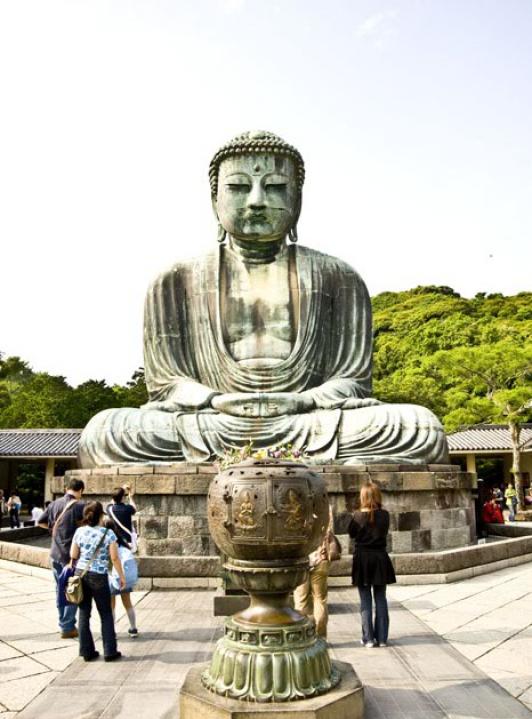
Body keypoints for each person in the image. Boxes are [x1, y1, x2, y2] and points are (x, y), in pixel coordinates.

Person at [79, 130, 448, 468]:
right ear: (214, 199)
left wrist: (303, 401)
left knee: (418, 428)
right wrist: (213, 400)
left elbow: (351, 380)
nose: (256, 201)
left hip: (307, 419)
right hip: (212, 421)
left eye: (274, 187)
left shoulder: (339, 277)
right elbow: (167, 384)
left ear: (297, 199)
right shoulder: (174, 282)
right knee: (107, 431)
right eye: (239, 188)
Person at [70, 501, 125, 662]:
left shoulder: (79, 531)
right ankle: (109, 651)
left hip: (81, 573)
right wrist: (121, 576)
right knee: (106, 613)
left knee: (84, 613)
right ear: (101, 515)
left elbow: (74, 554)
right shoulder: (108, 534)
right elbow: (114, 558)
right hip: (99, 576)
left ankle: (86, 651)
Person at [349, 482, 396, 648]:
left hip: (362, 559)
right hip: (380, 558)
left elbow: (351, 533)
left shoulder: (357, 516)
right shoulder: (385, 515)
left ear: (363, 497)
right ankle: (382, 638)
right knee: (380, 597)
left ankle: (368, 638)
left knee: (365, 599)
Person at [38, 478, 86, 638]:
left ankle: (63, 623)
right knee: (73, 588)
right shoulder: (80, 506)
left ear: (66, 488)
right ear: (81, 490)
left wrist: (54, 528)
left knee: (60, 589)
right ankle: (67, 627)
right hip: (72, 556)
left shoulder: (53, 504)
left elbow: (40, 522)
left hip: (55, 553)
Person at [293, 510, 335, 638]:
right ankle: (320, 636)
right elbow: (330, 532)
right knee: (320, 599)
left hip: (301, 559)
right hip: (321, 557)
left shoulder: (297, 504)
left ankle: (303, 637)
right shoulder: (324, 504)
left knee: (301, 600)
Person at [106, 485, 139, 638]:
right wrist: (130, 494)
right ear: (123, 497)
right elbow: (134, 508)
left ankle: (112, 631)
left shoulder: (109, 509)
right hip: (124, 550)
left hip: (112, 550)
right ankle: (133, 628)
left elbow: (110, 504)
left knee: (111, 601)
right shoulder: (127, 509)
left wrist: (120, 493)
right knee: (127, 600)